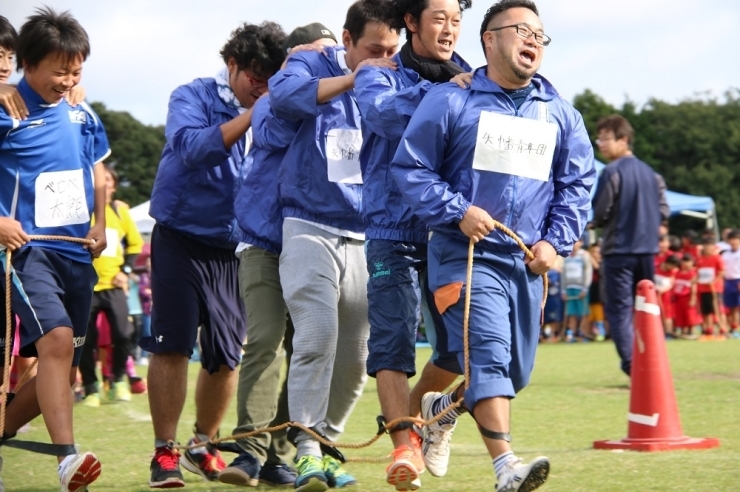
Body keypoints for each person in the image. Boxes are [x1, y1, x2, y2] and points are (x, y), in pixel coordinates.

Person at [390, 1, 595, 490]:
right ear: (489, 39)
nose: (533, 41)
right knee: (487, 355)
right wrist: (457, 211)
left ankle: (440, 412)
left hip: (524, 265)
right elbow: (410, 168)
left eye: (540, 36)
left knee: (514, 372)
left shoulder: (560, 114)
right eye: (522, 30)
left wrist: (556, 242)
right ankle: (505, 467)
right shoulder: (450, 101)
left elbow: (577, 184)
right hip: (463, 256)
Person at [142, 22, 287, 488]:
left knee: (226, 356)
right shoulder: (193, 96)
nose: (262, 89)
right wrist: (254, 113)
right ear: (232, 66)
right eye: (255, 79)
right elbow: (191, 149)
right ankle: (164, 453)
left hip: (236, 248)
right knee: (173, 344)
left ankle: (203, 444)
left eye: (271, 79)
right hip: (179, 238)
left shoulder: (279, 109)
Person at [268, 2, 399, 490]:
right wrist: (357, 78)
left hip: (367, 232)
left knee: (358, 356)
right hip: (307, 222)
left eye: (391, 50)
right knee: (317, 334)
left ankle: (326, 444)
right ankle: (304, 451)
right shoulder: (309, 61)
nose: (384, 58)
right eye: (372, 50)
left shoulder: (397, 73)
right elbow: (283, 98)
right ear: (346, 40)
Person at [354, 0, 473, 487]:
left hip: (450, 230)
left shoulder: (474, 77)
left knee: (470, 349)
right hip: (391, 231)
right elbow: (384, 117)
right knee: (392, 344)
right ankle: (404, 449)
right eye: (440, 18)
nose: (450, 30)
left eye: (458, 21)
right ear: (411, 21)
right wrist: (445, 91)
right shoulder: (375, 75)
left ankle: (428, 420)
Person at [220, 25, 339, 489]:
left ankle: (283, 453)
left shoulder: (348, 104)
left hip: (317, 242)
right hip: (264, 240)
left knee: (308, 345)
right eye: (321, 52)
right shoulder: (275, 99)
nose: (331, 60)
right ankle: (250, 450)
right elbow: (270, 130)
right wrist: (298, 78)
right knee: (266, 337)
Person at [0, 7, 109, 491]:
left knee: (60, 366)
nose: (68, 80)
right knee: (57, 342)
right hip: (27, 252)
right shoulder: (6, 108)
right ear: (27, 63)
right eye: (59, 70)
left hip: (77, 254)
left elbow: (99, 174)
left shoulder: (82, 111)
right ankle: (67, 459)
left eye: (76, 70)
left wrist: (101, 222)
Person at [592, 114, 669, 376]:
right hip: (647, 251)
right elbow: (664, 209)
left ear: (623, 140)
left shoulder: (611, 172)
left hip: (619, 251)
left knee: (619, 309)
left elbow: (602, 211)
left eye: (605, 138)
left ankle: (633, 366)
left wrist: (595, 223)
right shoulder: (652, 174)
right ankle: (654, 362)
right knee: (647, 307)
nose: (600, 144)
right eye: (599, 139)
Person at [79, 165, 143, 407]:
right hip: (86, 287)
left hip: (113, 286)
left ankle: (117, 381)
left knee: (124, 333)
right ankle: (91, 388)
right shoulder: (83, 210)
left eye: (107, 179)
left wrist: (125, 271)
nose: (102, 182)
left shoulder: (119, 211)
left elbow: (136, 245)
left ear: (114, 186)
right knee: (84, 339)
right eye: (99, 178)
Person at [562, 238, 592, 341]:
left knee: (584, 312)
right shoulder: (566, 255)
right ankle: (572, 335)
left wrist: (585, 288)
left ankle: (583, 333)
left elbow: (588, 272)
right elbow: (563, 274)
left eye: (577, 241)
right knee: (571, 313)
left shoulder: (584, 255)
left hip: (581, 288)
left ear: (581, 243)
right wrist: (563, 290)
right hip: (569, 288)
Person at [695, 236, 726, 337]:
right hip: (703, 289)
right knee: (707, 310)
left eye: (710, 246)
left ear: (713, 247)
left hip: (715, 288)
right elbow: (698, 273)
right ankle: (709, 329)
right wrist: (695, 279)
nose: (707, 248)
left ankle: (723, 328)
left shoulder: (717, 258)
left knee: (718, 309)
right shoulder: (700, 259)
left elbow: (722, 272)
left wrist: (714, 281)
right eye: (705, 246)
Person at [673, 254, 700, 338]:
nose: (686, 264)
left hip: (687, 297)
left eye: (688, 262)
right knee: (680, 314)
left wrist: (693, 298)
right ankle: (683, 331)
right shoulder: (677, 273)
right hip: (678, 298)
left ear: (692, 263)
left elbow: (694, 287)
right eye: (684, 261)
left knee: (690, 314)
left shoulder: (692, 274)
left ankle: (691, 331)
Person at [654, 254, 680, 337]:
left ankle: (668, 333)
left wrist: (663, 290)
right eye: (672, 266)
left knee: (667, 314)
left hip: (665, 296)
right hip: (653, 295)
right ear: (667, 263)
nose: (673, 268)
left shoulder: (672, 272)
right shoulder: (655, 268)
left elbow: (671, 284)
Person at [721, 230, 740, 337]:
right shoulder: (725, 254)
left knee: (737, 307)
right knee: (730, 306)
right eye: (731, 239)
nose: (733, 241)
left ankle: (736, 327)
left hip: (738, 280)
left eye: (735, 239)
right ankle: (732, 328)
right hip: (728, 281)